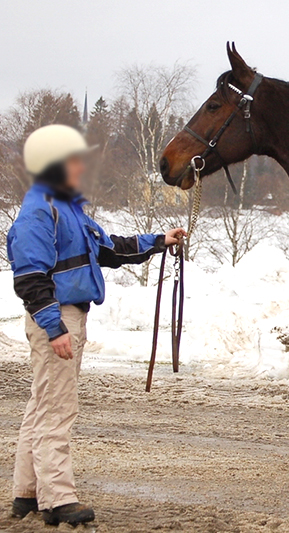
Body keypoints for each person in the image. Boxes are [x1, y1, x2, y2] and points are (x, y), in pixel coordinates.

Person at [7, 124, 186, 526]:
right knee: (57, 409)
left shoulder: (66, 208)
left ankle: (27, 493)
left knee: (42, 405)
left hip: (64, 314)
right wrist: (55, 328)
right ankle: (58, 499)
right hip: (57, 316)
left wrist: (159, 241)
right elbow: (30, 278)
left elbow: (109, 249)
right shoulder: (40, 210)